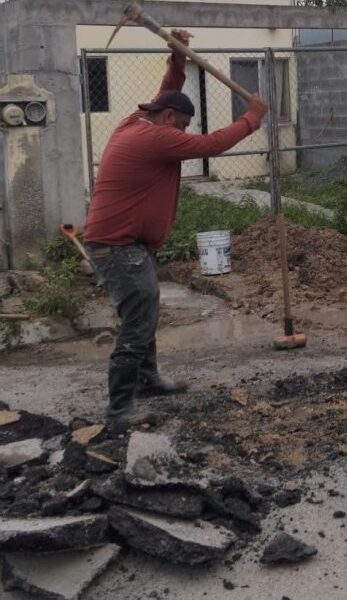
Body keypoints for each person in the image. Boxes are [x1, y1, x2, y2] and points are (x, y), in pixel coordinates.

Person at [84, 29, 269, 429]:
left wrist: (179, 61)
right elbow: (212, 145)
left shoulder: (136, 122)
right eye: (182, 124)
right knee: (138, 322)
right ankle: (119, 411)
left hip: (125, 244)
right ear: (168, 119)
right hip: (118, 246)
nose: (183, 132)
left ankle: (147, 380)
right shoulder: (156, 138)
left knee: (146, 312)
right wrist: (251, 117)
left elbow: (166, 94)